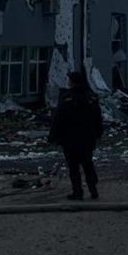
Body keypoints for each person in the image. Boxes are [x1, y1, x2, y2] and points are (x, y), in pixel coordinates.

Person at [48, 71, 104, 200]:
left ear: (72, 82)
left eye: (69, 80)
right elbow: (98, 118)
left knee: (74, 167)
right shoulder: (92, 97)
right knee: (88, 164)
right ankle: (93, 190)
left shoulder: (67, 98)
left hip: (70, 139)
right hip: (88, 138)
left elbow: (59, 119)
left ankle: (77, 192)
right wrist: (99, 134)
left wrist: (53, 136)